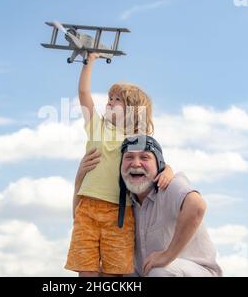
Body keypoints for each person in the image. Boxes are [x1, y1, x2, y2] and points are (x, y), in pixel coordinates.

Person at [65, 53, 173, 277]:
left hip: (120, 213)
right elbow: (84, 94)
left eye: (117, 99)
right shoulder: (97, 127)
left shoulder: (138, 139)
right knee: (87, 272)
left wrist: (169, 172)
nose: (109, 102)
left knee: (113, 275)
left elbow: (159, 164)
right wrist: (89, 60)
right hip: (87, 209)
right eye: (109, 97)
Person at [119, 135, 223, 277]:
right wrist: (81, 175)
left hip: (197, 270)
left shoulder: (170, 185)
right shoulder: (124, 201)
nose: (136, 163)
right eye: (129, 157)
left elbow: (197, 206)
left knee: (159, 272)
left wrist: (168, 255)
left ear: (159, 165)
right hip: (150, 272)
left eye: (144, 157)